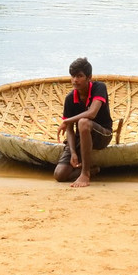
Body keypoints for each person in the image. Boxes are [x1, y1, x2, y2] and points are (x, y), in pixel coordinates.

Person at [54, 57, 113, 188]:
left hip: (102, 134)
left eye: (80, 76)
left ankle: (85, 174)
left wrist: (67, 121)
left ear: (89, 77)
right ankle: (92, 170)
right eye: (73, 76)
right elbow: (69, 130)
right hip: (81, 137)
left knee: (83, 123)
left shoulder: (99, 88)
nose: (75, 80)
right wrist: (73, 152)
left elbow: (92, 113)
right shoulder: (70, 98)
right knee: (59, 175)